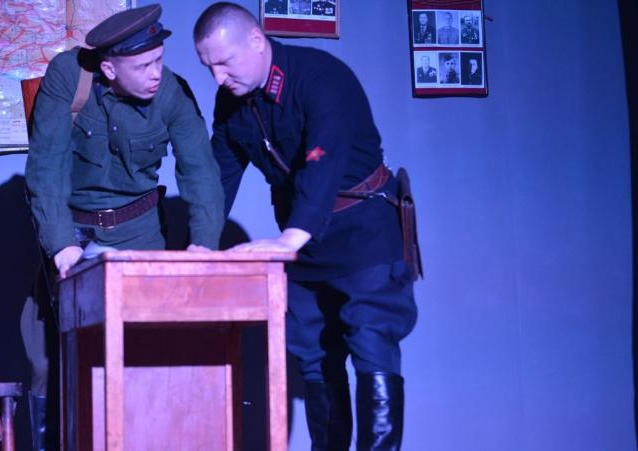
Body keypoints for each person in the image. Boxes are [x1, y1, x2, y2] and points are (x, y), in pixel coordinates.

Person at [194, 3, 419, 450]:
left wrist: (289, 240)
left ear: (256, 41)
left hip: (362, 233)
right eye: (208, 67)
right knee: (314, 355)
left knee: (372, 343)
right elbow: (218, 176)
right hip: (302, 243)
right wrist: (200, 244)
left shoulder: (321, 78)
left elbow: (323, 160)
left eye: (225, 62)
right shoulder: (231, 100)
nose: (218, 78)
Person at [23, 4, 224, 449]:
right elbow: (46, 168)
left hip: (138, 233)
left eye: (159, 60)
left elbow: (201, 173)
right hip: (75, 233)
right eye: (143, 66)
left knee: (142, 355)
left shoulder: (172, 93)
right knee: (51, 358)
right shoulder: (69, 76)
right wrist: (61, 246)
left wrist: (204, 245)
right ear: (109, 69)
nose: (156, 73)